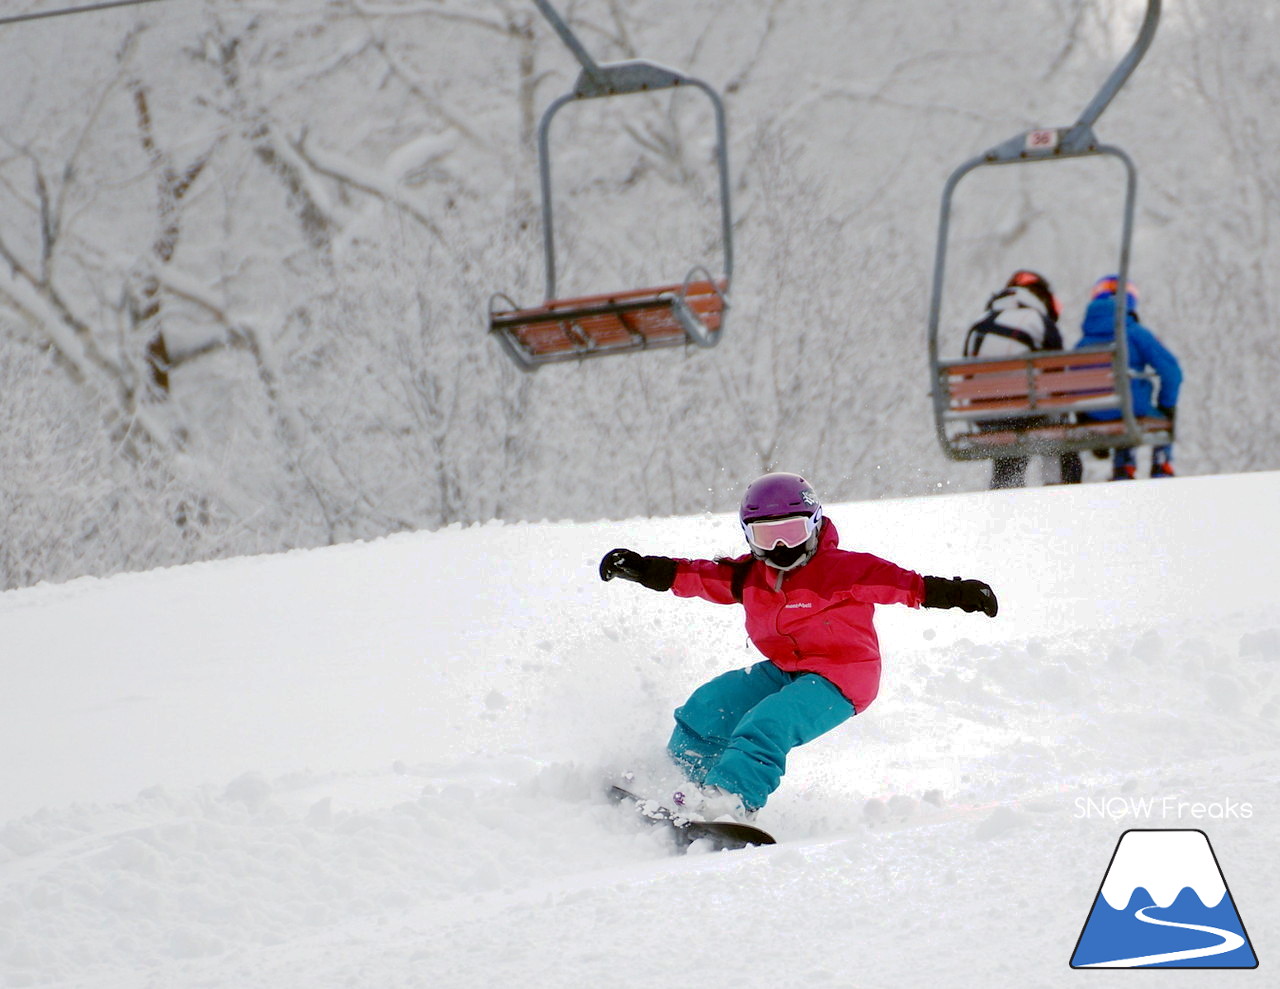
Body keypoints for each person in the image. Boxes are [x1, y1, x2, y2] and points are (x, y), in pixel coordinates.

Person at [598, 472, 998, 823]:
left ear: (815, 525)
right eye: (766, 536)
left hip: (844, 676)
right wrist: (644, 568)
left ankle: (731, 801)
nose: (781, 548)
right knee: (711, 703)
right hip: (787, 667)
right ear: (748, 535)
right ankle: (681, 780)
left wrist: (961, 593)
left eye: (792, 532)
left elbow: (908, 586)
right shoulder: (749, 576)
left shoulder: (844, 569)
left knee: (768, 723)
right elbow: (698, 576)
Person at [964, 269, 1083, 487]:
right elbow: (1056, 377)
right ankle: (1058, 490)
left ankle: (1006, 495)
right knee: (1054, 427)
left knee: (1009, 451)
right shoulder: (1038, 321)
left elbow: (967, 372)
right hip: (1028, 413)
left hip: (986, 417)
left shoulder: (980, 323)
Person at [1076, 275, 1182, 479]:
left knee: (1119, 408)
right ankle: (1162, 465)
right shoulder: (1135, 333)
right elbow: (1172, 372)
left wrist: (1084, 412)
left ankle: (1123, 466)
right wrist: (1166, 405)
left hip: (1095, 412)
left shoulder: (1083, 343)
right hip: (1133, 409)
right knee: (1142, 410)